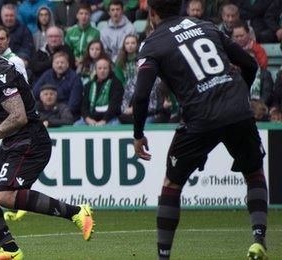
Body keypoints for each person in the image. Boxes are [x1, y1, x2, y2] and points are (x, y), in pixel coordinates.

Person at [132, 1, 268, 259]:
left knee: (172, 183)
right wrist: (239, 99)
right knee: (253, 172)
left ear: (152, 14)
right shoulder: (206, 26)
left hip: (199, 117)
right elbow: (249, 65)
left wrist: (138, 135)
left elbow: (140, 96)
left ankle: (163, 256)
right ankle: (258, 239)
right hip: (237, 110)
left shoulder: (152, 44)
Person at [0, 29, 94, 259]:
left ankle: (77, 212)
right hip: (13, 142)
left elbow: (19, 117)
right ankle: (10, 250)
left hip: (31, 141)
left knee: (5, 196)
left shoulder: (1, 73)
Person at [78, 56, 123, 125]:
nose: (102, 70)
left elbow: (115, 106)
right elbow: (84, 106)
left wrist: (104, 120)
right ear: (95, 70)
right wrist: (88, 119)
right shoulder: (89, 85)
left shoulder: (116, 84)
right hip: (91, 119)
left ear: (109, 70)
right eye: (99, 68)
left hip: (110, 118)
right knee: (77, 125)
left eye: (105, 68)